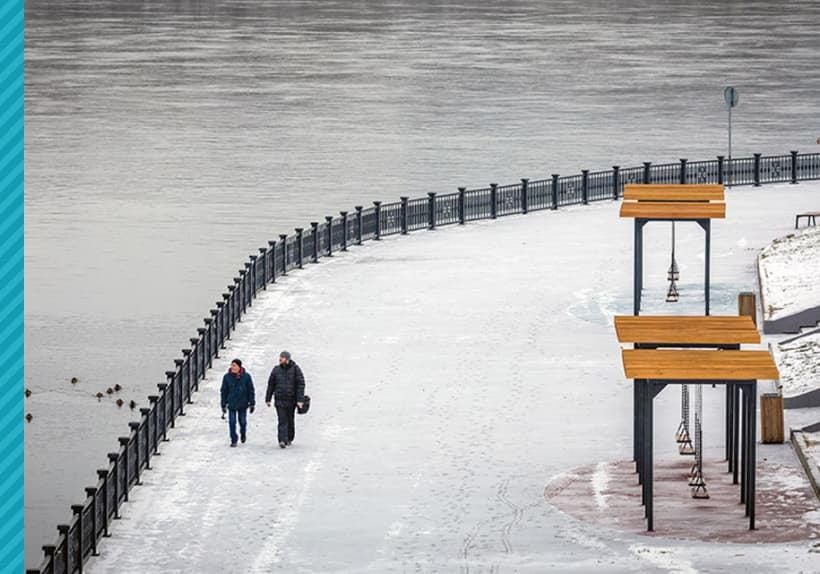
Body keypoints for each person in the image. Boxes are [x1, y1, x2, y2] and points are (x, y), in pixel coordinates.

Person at [265, 351, 305, 449]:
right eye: (280, 357)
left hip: (291, 400)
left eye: (282, 358)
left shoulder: (296, 369)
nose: (280, 359)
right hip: (279, 400)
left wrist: (300, 399)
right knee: (282, 420)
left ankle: (289, 437)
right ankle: (282, 440)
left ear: (287, 359)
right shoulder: (276, 370)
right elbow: (271, 385)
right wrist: (268, 398)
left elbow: (301, 384)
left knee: (290, 419)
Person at [220, 358, 255, 447]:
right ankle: (233, 439)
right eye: (231, 365)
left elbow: (251, 390)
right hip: (231, 403)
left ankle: (243, 433)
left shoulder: (246, 377)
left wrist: (252, 403)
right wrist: (223, 404)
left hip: (243, 403)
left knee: (242, 422)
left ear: (239, 367)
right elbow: (223, 391)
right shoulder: (227, 377)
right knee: (232, 422)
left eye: (234, 365)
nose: (232, 367)